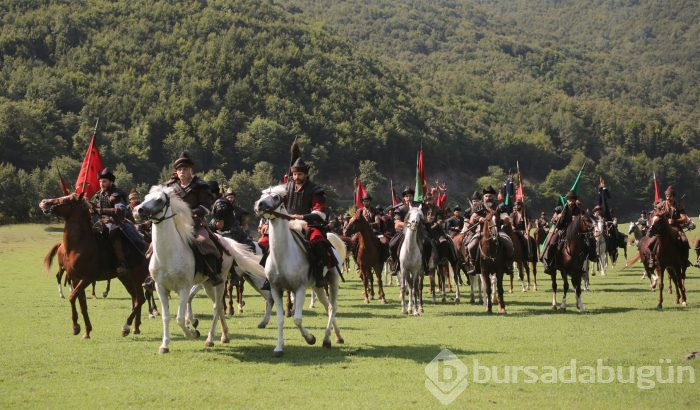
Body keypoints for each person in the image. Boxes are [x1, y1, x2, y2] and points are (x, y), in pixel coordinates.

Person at [164, 152, 223, 285]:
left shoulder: (200, 186)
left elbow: (206, 206)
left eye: (185, 169)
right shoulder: (170, 187)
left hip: (194, 224)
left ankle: (212, 273)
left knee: (205, 241)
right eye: (179, 170)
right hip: (173, 225)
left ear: (191, 170)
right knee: (152, 245)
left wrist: (191, 212)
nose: (182, 172)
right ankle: (151, 275)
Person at [285, 157, 337, 286]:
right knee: (265, 242)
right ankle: (268, 275)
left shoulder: (315, 190)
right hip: (286, 223)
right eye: (294, 174)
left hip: (309, 224)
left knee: (318, 242)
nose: (296, 177)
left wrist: (302, 217)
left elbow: (319, 212)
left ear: (306, 175)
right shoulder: (286, 187)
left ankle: (319, 275)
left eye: (299, 174)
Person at [92, 168, 145, 275]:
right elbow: (96, 206)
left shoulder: (116, 194)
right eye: (100, 181)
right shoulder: (99, 194)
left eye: (104, 181)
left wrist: (99, 210)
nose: (102, 184)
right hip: (102, 222)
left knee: (113, 232)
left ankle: (122, 262)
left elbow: (119, 210)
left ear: (111, 182)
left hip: (116, 222)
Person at [465, 185, 514, 275]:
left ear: (493, 197)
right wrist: (478, 219)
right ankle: (475, 266)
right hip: (482, 232)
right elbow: (472, 219)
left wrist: (500, 221)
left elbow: (507, 218)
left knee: (509, 244)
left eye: (490, 196)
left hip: (498, 231)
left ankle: (508, 266)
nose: (488, 198)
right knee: (471, 246)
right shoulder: (479, 206)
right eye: (486, 196)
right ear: (483, 197)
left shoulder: (500, 206)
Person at [648, 185, 693, 267]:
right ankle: (652, 258)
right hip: (662, 228)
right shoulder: (661, 205)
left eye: (670, 196)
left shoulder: (679, 206)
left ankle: (684, 260)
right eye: (667, 196)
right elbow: (655, 214)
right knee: (651, 242)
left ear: (673, 196)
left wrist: (674, 221)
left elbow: (684, 219)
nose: (668, 198)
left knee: (684, 241)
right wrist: (660, 214)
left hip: (676, 228)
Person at [542, 190, 584, 275]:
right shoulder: (560, 209)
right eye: (570, 200)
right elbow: (552, 220)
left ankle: (583, 264)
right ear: (567, 200)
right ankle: (548, 265)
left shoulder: (578, 210)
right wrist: (557, 217)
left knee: (586, 244)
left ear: (575, 200)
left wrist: (577, 219)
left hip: (574, 232)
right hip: (562, 230)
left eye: (573, 200)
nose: (571, 202)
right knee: (552, 244)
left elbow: (582, 222)